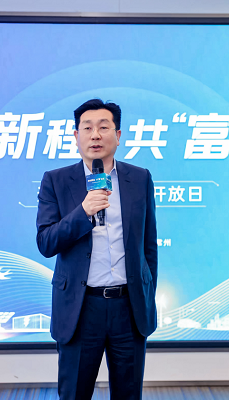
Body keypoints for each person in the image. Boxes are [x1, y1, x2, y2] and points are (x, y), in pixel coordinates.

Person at [36, 98, 158, 399]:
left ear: (118, 135)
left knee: (129, 394)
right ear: (75, 136)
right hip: (80, 309)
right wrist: (83, 212)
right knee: (74, 393)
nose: (95, 135)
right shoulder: (56, 181)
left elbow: (148, 247)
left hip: (128, 307)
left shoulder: (139, 178)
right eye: (87, 128)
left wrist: (144, 294)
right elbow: (46, 242)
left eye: (104, 127)